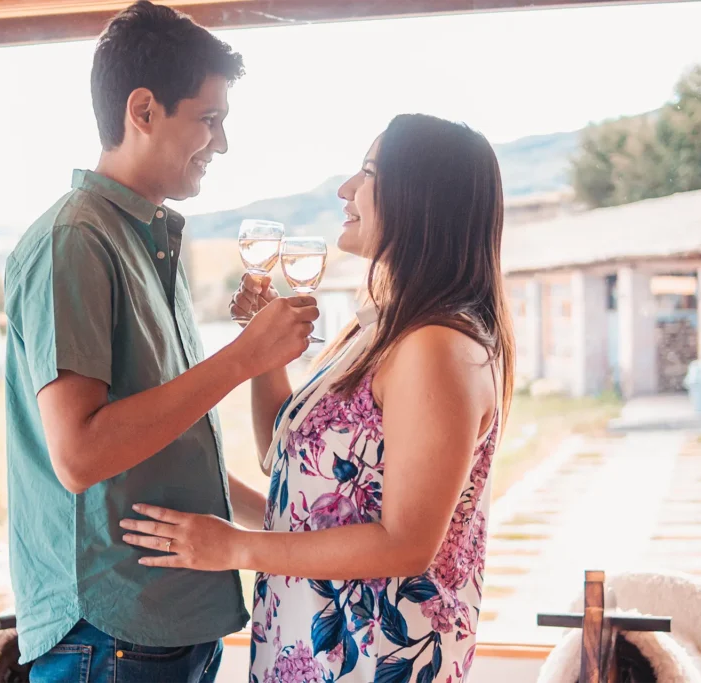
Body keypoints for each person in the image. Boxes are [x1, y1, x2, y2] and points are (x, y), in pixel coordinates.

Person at [120, 113, 516, 682]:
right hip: (309, 645)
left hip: (373, 659)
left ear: (421, 198)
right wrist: (260, 357)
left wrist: (236, 548)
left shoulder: (437, 347)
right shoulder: (379, 330)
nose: (345, 190)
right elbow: (287, 465)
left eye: (369, 172)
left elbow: (406, 545)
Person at [3, 2, 319, 682]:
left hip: (169, 628)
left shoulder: (146, 242)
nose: (223, 143)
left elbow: (165, 450)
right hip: (110, 634)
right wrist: (244, 359)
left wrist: (287, 527)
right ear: (142, 110)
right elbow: (81, 454)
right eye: (210, 119)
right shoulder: (75, 241)